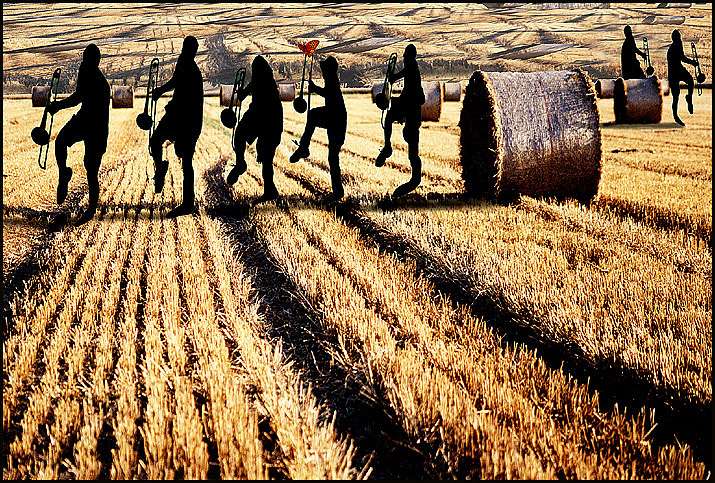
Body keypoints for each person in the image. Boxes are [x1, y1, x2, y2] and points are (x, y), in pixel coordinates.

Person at [47, 43, 110, 224]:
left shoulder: (96, 79)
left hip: (96, 126)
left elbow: (78, 97)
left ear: (94, 61)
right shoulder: (87, 71)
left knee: (91, 169)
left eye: (87, 58)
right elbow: (79, 96)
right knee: (61, 142)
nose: (85, 62)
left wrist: (58, 106)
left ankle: (90, 209)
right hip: (88, 120)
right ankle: (64, 174)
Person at [150, 35, 203, 218]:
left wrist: (159, 91)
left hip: (183, 117)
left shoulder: (186, 64)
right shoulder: (188, 64)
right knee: (185, 160)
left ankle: (160, 168)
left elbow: (175, 82)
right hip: (186, 117)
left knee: (158, 142)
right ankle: (187, 201)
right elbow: (176, 82)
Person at [226, 55, 283, 204]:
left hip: (261, 116)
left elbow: (243, 96)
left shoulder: (258, 81)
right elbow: (244, 95)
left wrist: (239, 91)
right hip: (272, 120)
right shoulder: (267, 81)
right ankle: (270, 190)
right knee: (267, 159)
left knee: (239, 134)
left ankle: (240, 163)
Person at [289, 55, 346, 201]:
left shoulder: (332, 80)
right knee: (333, 157)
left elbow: (329, 93)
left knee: (332, 157)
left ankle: (304, 147)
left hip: (336, 119)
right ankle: (338, 191)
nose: (323, 71)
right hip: (336, 119)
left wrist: (314, 88)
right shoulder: (331, 78)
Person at [374, 44, 425, 199]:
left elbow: (395, 77)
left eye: (405, 55)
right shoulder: (412, 67)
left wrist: (390, 74)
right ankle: (414, 178)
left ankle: (388, 146)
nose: (403, 58)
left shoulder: (411, 67)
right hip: (411, 108)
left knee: (389, 115)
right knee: (413, 152)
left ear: (409, 56)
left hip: (409, 106)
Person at [667, 29, 698, 126]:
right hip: (674, 72)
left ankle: (689, 98)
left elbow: (682, 57)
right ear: (675, 38)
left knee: (690, 82)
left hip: (677, 70)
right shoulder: (674, 47)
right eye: (678, 37)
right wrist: (692, 62)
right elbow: (682, 58)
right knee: (676, 97)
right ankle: (676, 116)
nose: (679, 39)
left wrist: (692, 62)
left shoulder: (677, 44)